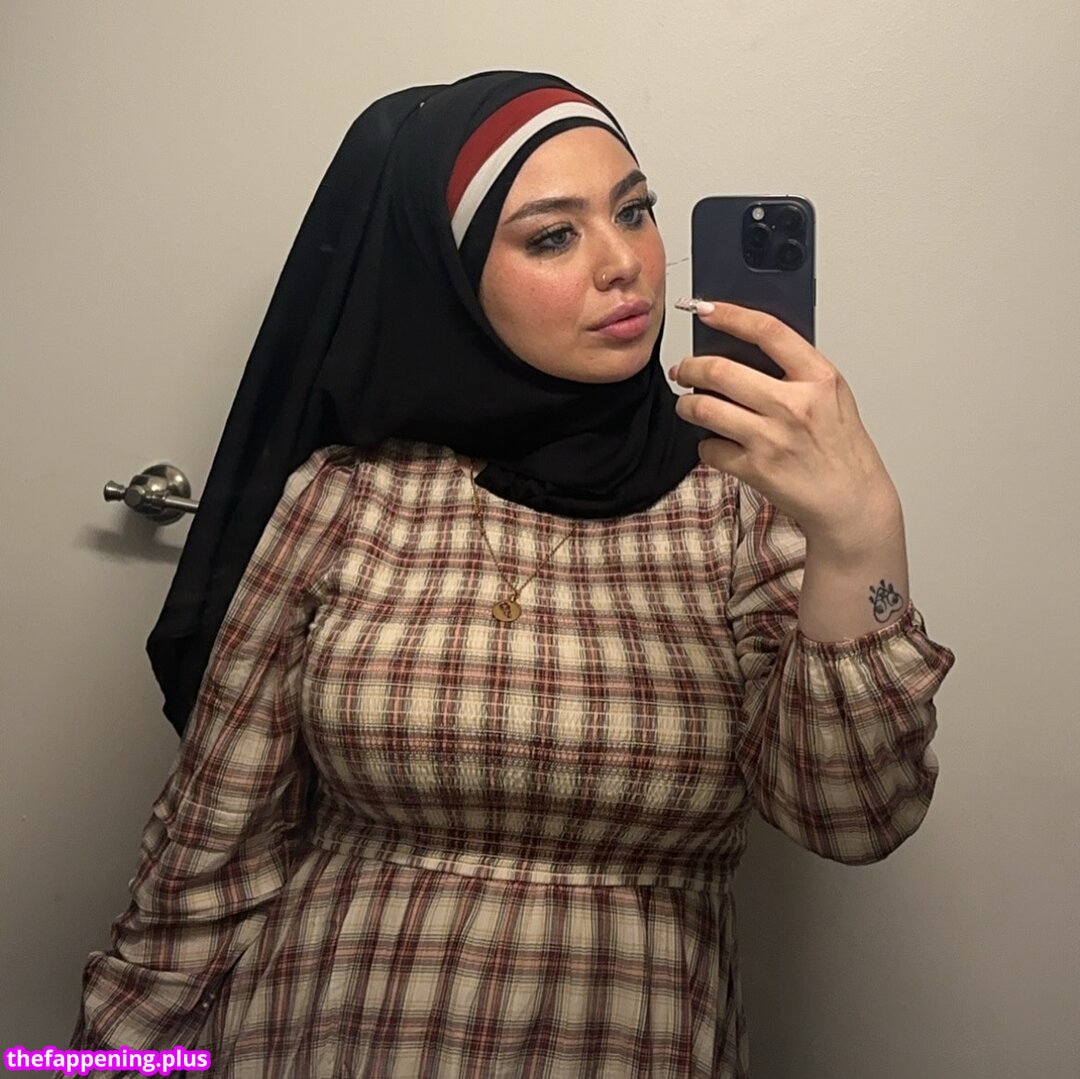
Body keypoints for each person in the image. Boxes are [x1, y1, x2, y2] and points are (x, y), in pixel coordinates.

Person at [65, 70, 956, 1077]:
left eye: (635, 211)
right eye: (553, 236)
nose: (625, 265)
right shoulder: (349, 498)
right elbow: (208, 852)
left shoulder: (737, 501)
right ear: (450, 276)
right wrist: (110, 1062)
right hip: (315, 1033)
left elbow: (853, 813)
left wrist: (859, 530)